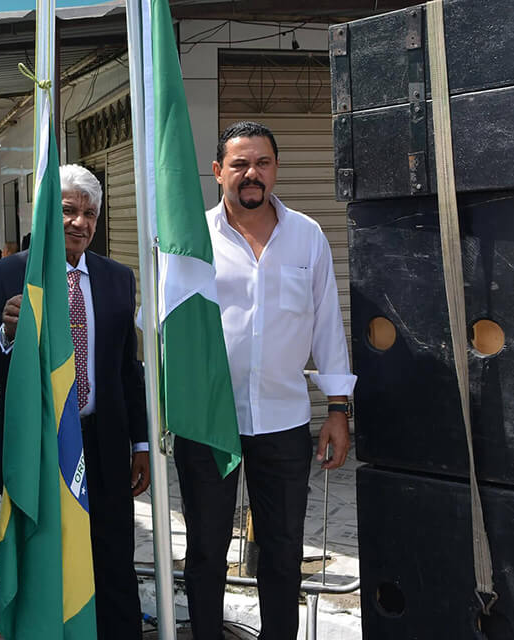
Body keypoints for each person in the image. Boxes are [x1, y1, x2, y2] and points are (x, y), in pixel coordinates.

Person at [174, 121, 357, 640]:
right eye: (239, 164)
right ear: (217, 172)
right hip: (209, 420)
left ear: (275, 169)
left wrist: (338, 410)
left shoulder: (307, 236)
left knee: (282, 550)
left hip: (282, 418)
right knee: (207, 548)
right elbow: (163, 323)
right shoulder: (192, 239)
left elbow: (326, 326)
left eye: (262, 163)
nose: (251, 174)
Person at [0, 164, 150, 639]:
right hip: (40, 449)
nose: (80, 223)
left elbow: (127, 370)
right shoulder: (6, 274)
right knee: (46, 563)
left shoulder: (117, 278)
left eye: (90, 213)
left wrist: (142, 443)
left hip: (104, 446)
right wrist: (9, 335)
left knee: (112, 563)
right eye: (68, 210)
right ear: (47, 213)